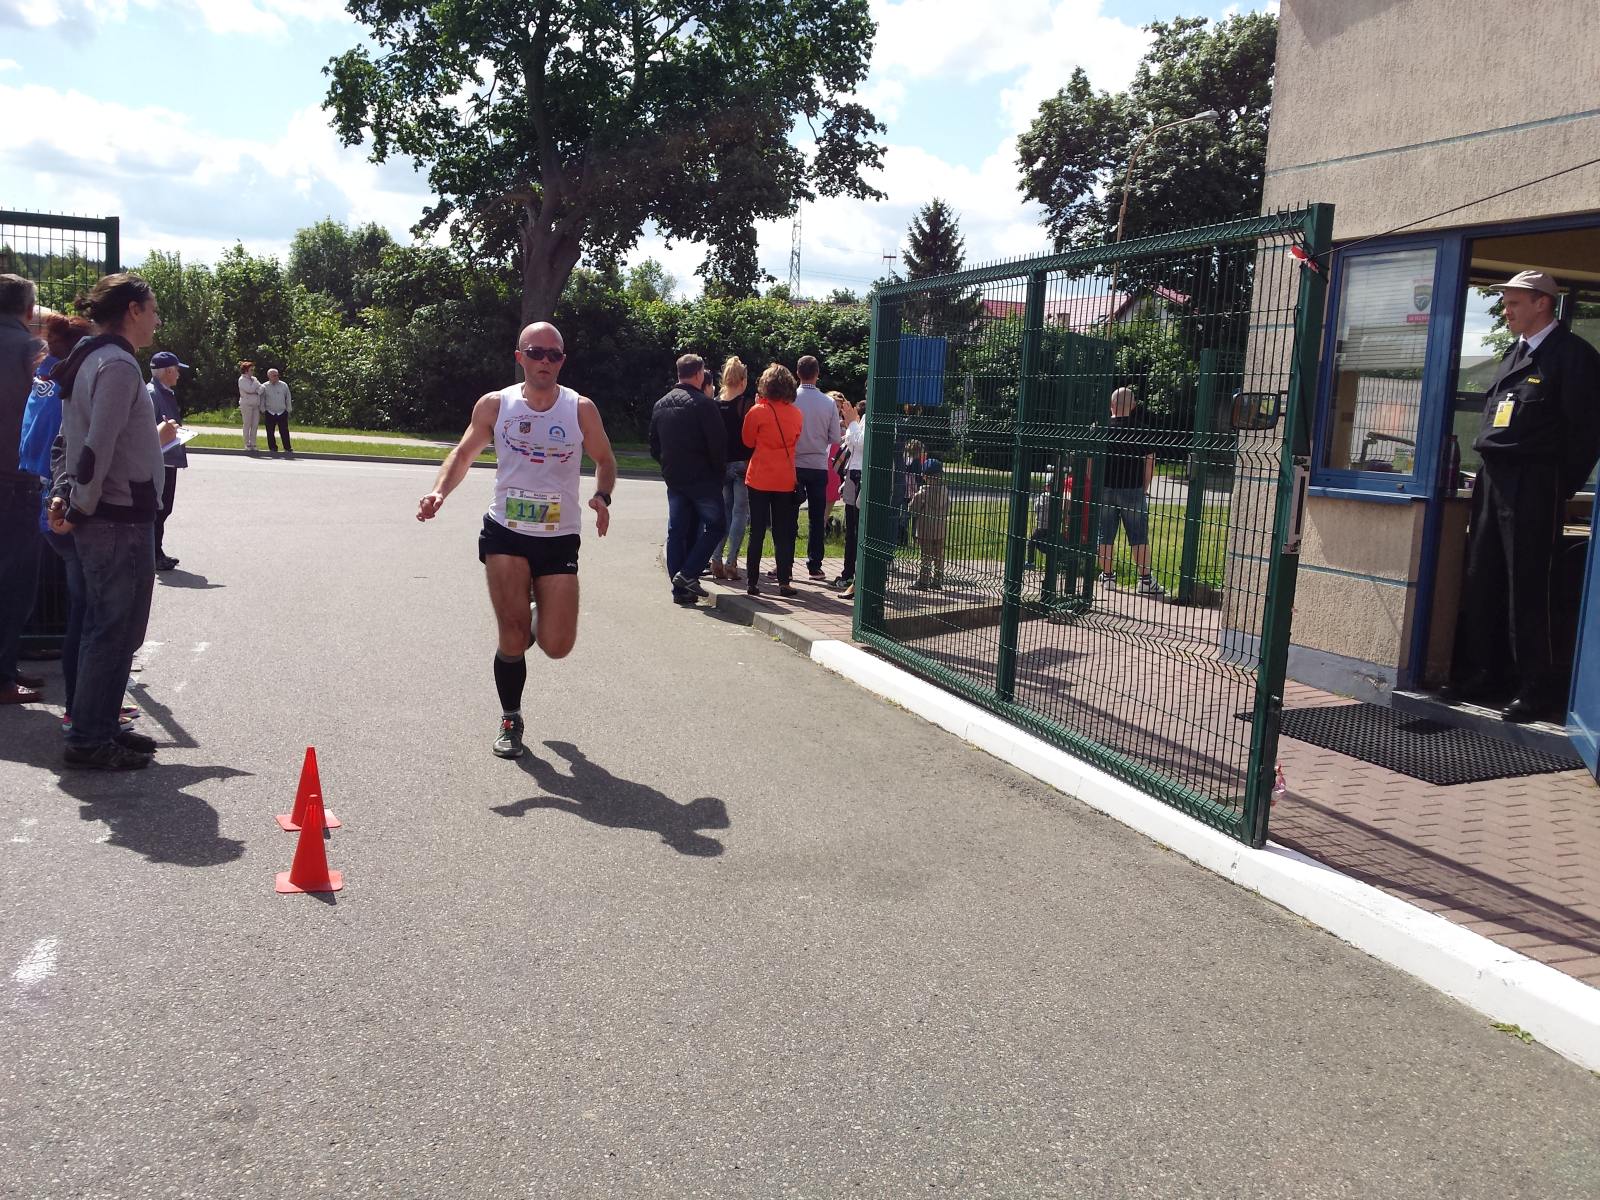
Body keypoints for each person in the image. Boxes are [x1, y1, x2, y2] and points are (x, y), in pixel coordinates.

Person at [416, 321, 617, 759]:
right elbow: (463, 453)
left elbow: (605, 460)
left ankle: (531, 618)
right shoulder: (496, 404)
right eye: (536, 352)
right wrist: (439, 492)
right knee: (511, 637)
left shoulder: (580, 409)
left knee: (557, 646)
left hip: (559, 536)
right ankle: (511, 718)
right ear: (520, 356)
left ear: (562, 361)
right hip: (505, 530)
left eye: (554, 354)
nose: (545, 360)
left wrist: (602, 496)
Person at [1442, 270, 1600, 722]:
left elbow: (1586, 432)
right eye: (1506, 303)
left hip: (1534, 482)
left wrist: (1556, 487)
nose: (1506, 311)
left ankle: (1536, 688)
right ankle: (1486, 673)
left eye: (1513, 303)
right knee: (1484, 575)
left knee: (1528, 585)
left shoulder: (1572, 356)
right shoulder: (1516, 352)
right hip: (1494, 477)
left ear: (1542, 303)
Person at [49, 273, 166, 769]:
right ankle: (90, 738)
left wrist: (65, 495)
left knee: (109, 627)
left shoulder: (89, 357)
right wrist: (79, 505)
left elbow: (66, 441)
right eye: (153, 309)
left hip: (108, 514)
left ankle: (98, 725)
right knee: (114, 629)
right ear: (133, 310)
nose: (157, 320)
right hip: (117, 519)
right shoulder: (116, 364)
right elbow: (96, 446)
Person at [20, 313, 93, 719]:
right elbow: (72, 450)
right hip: (62, 504)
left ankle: (84, 704)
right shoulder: (68, 387)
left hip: (42, 500)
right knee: (89, 610)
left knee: (81, 607)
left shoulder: (43, 380)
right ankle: (84, 706)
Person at [649, 353, 727, 605]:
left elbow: (654, 445)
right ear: (699, 374)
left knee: (678, 531)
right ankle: (688, 573)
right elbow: (718, 446)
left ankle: (680, 590)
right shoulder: (705, 405)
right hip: (702, 478)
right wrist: (718, 473)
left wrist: (668, 465)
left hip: (675, 478)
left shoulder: (660, 404)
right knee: (716, 526)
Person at [1, 273, 45, 706]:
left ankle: (7, 666)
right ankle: (2, 675)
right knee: (14, 583)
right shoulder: (30, 350)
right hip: (15, 479)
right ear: (29, 311)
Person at [1096, 386, 1165, 598]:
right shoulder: (1143, 430)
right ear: (1134, 405)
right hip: (1132, 488)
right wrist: (1143, 488)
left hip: (1105, 488)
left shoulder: (1100, 429)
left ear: (1111, 404)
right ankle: (1145, 580)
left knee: (1105, 534)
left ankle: (1107, 577)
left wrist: (1095, 482)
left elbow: (1091, 462)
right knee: (1138, 535)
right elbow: (1150, 463)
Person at [742, 363, 804, 599]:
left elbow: (748, 441)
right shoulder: (796, 414)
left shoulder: (757, 411)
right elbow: (795, 439)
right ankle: (784, 581)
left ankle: (752, 582)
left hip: (759, 476)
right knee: (782, 532)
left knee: (756, 531)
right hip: (785, 478)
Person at [792, 355, 842, 580]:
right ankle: (815, 564)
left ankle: (785, 561)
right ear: (817, 373)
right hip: (818, 465)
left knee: (789, 514)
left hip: (794, 463)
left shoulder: (790, 399)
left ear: (797, 373)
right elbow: (835, 437)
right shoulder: (828, 403)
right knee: (816, 516)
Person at [710, 356, 752, 582]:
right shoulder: (745, 404)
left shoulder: (716, 403)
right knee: (740, 514)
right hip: (742, 463)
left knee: (724, 512)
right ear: (742, 380)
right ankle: (731, 562)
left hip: (722, 464)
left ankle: (715, 558)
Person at [147, 351, 187, 571]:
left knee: (163, 509)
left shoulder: (164, 392)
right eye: (177, 370)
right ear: (168, 371)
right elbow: (145, 429)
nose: (179, 374)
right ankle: (153, 555)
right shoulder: (152, 393)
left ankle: (156, 552)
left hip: (168, 459)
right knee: (158, 509)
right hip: (159, 461)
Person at [832, 392, 865, 596]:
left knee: (857, 529)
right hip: (853, 474)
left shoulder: (871, 419)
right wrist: (853, 424)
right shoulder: (863, 420)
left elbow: (860, 443)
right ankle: (848, 574)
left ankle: (854, 577)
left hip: (861, 476)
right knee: (850, 529)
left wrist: (852, 423)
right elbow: (852, 444)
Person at [909, 458, 951, 589]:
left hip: (925, 530)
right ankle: (937, 581)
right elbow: (948, 508)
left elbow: (912, 509)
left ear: (925, 476)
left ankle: (923, 581)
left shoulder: (922, 493)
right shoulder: (945, 492)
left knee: (925, 556)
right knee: (939, 556)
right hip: (940, 529)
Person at [260, 367, 293, 458]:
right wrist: (263, 410)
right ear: (269, 376)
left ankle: (287, 448)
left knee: (284, 431)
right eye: (274, 375)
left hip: (282, 412)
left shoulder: (284, 385)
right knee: (270, 432)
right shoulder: (264, 386)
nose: (276, 377)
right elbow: (262, 399)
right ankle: (273, 448)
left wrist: (288, 409)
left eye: (277, 375)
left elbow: (288, 397)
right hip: (270, 412)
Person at [237, 361, 263, 453]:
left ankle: (253, 443)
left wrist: (256, 389)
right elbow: (250, 389)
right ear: (246, 370)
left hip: (255, 404)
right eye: (251, 370)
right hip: (246, 404)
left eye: (253, 370)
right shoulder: (242, 380)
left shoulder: (254, 379)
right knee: (247, 424)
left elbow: (261, 389)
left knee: (255, 425)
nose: (253, 371)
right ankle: (247, 443)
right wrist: (255, 387)